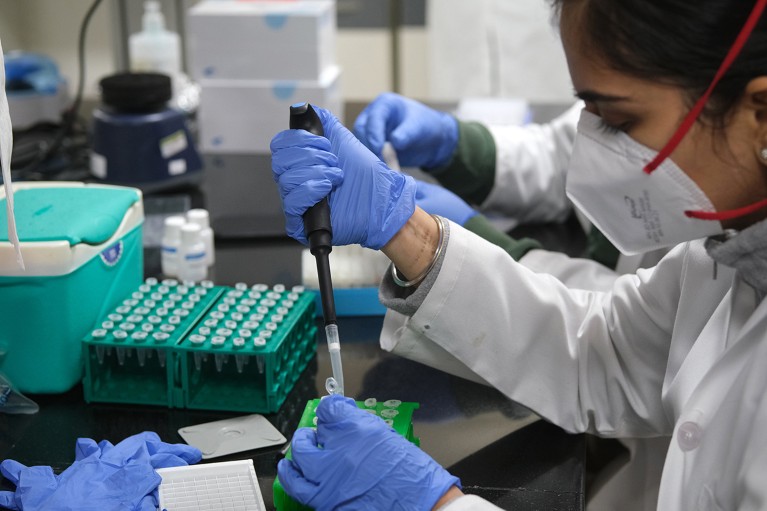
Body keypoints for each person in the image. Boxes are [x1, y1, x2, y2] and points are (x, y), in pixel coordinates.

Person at [270, 0, 767, 509]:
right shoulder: (732, 259)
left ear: (760, 114)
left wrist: (437, 505)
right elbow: (606, 352)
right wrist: (406, 230)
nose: (590, 143)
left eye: (618, 120)